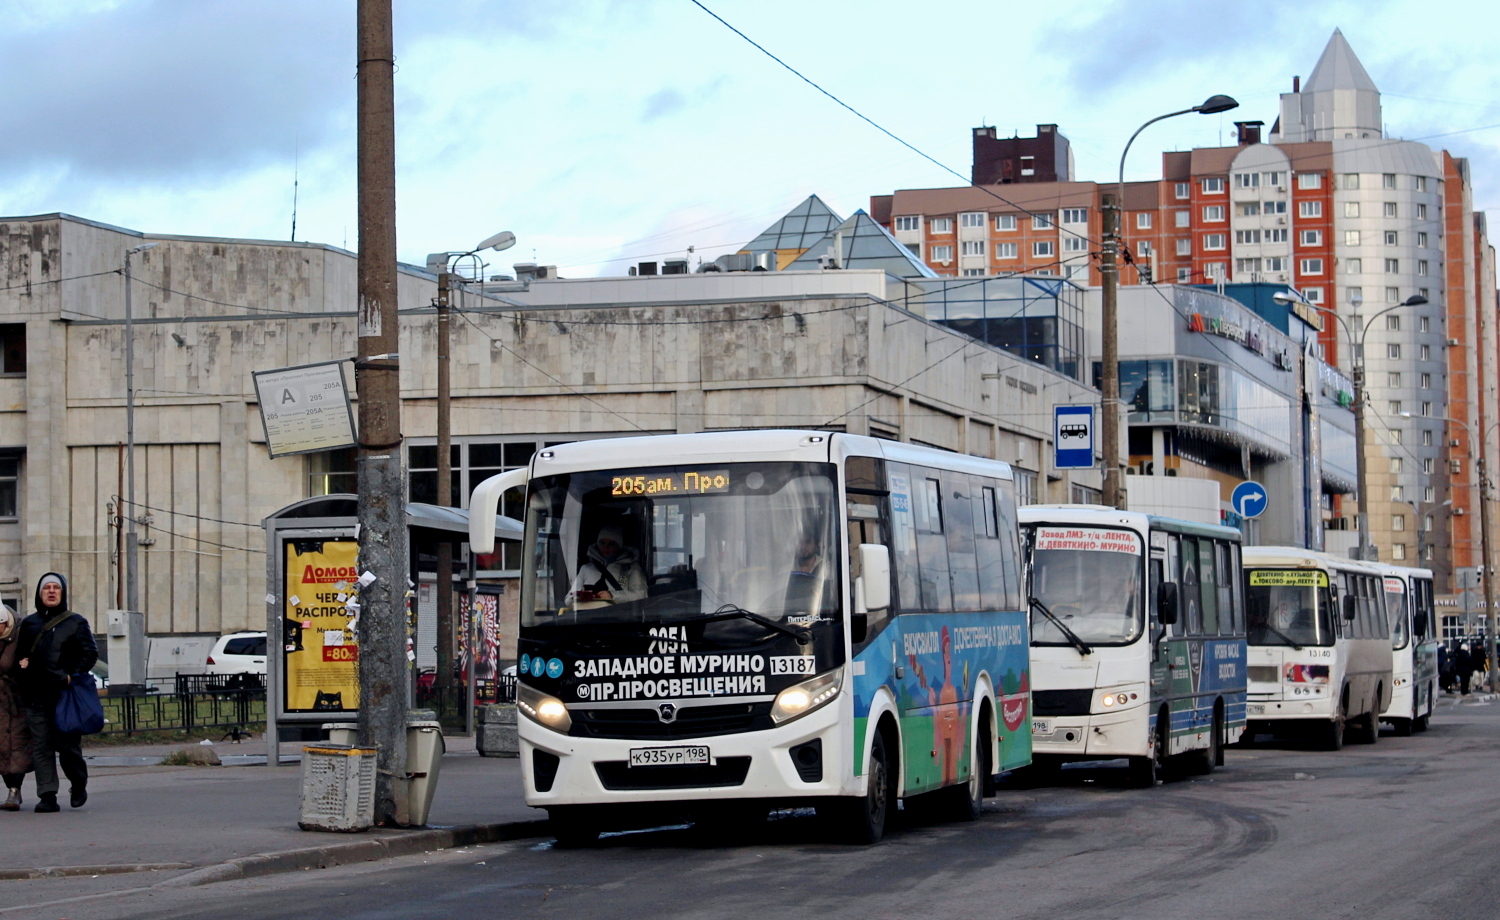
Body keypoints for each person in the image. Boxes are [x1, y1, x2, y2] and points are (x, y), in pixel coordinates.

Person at [15, 573, 97, 813]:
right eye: (46, 588)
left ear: (63, 593)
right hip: (36, 697)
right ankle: (47, 796)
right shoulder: (29, 624)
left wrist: (71, 674)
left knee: (68, 747)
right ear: (39, 594)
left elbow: (89, 654)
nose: (51, 592)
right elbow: (21, 655)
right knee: (41, 747)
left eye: (56, 588)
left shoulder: (76, 622)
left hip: (64, 697)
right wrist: (23, 666)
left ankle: (78, 783)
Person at [0, 605, 32, 811]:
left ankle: (14, 790)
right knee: (1, 747)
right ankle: (11, 789)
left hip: (17, 700)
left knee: (17, 745)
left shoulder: (22, 633)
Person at [568, 526, 647, 606]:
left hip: (618, 616)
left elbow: (641, 595)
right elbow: (568, 599)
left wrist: (613, 596)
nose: (606, 547)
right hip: (588, 616)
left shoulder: (631, 568)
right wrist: (579, 597)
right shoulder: (586, 569)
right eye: (602, 543)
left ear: (619, 545)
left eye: (611, 544)